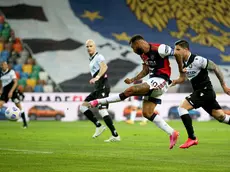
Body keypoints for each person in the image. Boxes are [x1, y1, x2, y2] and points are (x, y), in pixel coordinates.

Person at [89, 35, 179, 149]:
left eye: (133, 47)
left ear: (139, 43)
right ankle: (172, 133)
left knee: (130, 90)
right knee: (147, 113)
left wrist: (182, 73)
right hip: (153, 81)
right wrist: (133, 79)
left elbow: (177, 53)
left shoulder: (159, 48)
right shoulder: (143, 55)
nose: (133, 50)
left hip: (161, 81)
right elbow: (146, 70)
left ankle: (98, 101)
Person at [171, 40, 230, 149]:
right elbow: (182, 78)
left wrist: (224, 86)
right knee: (221, 116)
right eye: (175, 49)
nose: (175, 52)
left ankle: (192, 138)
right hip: (202, 93)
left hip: (205, 91)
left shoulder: (198, 60)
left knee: (182, 108)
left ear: (186, 49)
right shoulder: (183, 62)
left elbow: (215, 67)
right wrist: (173, 82)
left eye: (178, 49)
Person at [79, 39, 120, 142]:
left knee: (102, 110)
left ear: (95, 46)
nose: (88, 48)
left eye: (90, 46)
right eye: (87, 47)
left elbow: (104, 66)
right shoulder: (92, 59)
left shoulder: (99, 56)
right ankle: (98, 125)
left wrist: (97, 77)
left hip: (103, 86)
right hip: (97, 87)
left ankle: (115, 135)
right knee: (83, 107)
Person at [0, 61, 27, 128]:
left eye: (6, 65)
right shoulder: (0, 73)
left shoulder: (11, 72)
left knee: (19, 106)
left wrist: (11, 91)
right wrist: (1, 89)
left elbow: (15, 82)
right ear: (1, 66)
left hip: (13, 91)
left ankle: (25, 124)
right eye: (3, 65)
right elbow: (1, 82)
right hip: (5, 92)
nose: (5, 66)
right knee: (0, 104)